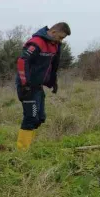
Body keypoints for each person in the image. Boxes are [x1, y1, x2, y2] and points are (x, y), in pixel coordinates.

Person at [16, 22, 71, 151]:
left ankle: (27, 146)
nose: (61, 40)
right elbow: (22, 61)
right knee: (31, 117)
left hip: (38, 86)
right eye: (61, 37)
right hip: (26, 85)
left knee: (40, 118)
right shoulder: (36, 42)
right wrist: (25, 84)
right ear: (53, 32)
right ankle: (22, 150)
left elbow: (54, 65)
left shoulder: (56, 45)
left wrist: (53, 81)